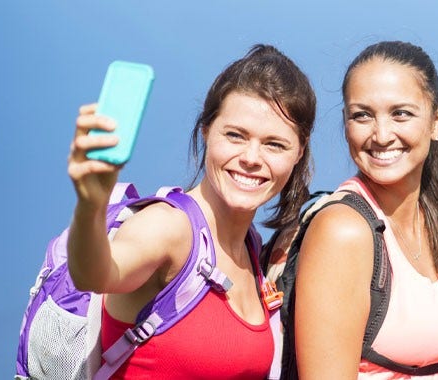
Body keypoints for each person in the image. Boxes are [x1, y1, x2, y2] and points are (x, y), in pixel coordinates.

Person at [66, 44, 316, 378]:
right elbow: (94, 274)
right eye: (235, 136)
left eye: (274, 144)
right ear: (206, 132)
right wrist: (90, 207)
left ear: (299, 153)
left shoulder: (253, 250)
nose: (252, 157)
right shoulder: (169, 228)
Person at [291, 41, 438, 379]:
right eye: (362, 115)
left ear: (437, 122)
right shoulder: (343, 230)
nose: (381, 135)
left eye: (400, 113)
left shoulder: (437, 223)